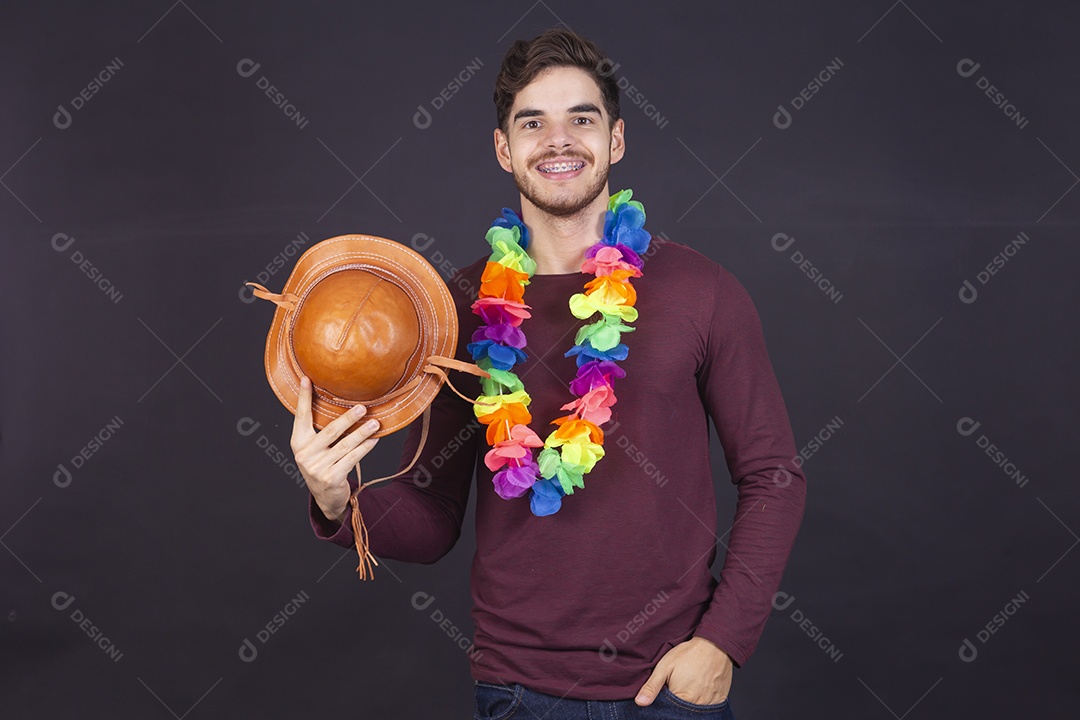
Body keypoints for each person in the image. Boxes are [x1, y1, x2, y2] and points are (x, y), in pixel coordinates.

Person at [289, 27, 806, 719]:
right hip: (516, 692)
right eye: (533, 122)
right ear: (505, 149)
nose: (558, 141)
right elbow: (434, 519)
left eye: (581, 119)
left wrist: (723, 642)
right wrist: (336, 497)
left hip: (670, 689)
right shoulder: (458, 311)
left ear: (616, 140)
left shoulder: (701, 290)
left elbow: (774, 475)